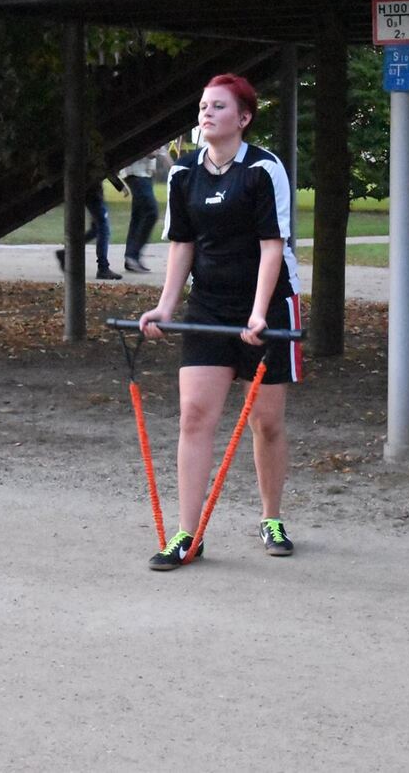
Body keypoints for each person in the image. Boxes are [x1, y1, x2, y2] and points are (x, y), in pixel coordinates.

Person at [138, 73, 303, 571]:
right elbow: (182, 244)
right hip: (208, 306)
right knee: (194, 416)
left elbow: (272, 247)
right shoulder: (183, 173)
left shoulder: (263, 170)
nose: (206, 114)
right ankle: (188, 535)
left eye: (218, 107)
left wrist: (257, 313)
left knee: (267, 422)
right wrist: (166, 306)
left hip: (268, 305)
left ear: (243, 118)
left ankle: (270, 517)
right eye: (203, 106)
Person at [55, 181, 122, 280]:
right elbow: (105, 168)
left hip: (89, 188)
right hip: (92, 190)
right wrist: (119, 185)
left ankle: (67, 251)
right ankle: (103, 268)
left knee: (96, 229)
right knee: (103, 228)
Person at [120, 152, 161, 273]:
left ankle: (131, 257)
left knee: (138, 215)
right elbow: (151, 152)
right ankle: (133, 255)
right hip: (136, 172)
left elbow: (161, 152)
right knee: (151, 212)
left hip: (143, 174)